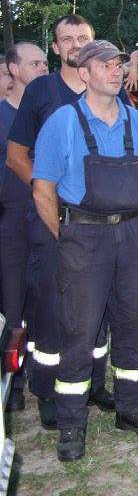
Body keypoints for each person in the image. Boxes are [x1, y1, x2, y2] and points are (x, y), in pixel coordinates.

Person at [32, 40, 138, 461]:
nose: (115, 70)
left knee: (133, 324)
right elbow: (42, 189)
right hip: (83, 238)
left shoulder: (136, 122)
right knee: (80, 331)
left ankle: (132, 409)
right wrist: (66, 235)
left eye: (119, 64)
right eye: (104, 65)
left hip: (131, 235)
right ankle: (72, 424)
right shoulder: (63, 121)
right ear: (84, 73)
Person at [6, 15, 118, 429]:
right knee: (53, 305)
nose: (75, 44)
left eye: (82, 37)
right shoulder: (41, 91)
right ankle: (48, 391)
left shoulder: (107, 89)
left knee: (99, 303)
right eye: (66, 39)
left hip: (101, 221)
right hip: (53, 219)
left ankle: (95, 383)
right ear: (55, 48)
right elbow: (16, 156)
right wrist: (52, 198)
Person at [1, 42, 49, 411]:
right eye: (35, 64)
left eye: (45, 63)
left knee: (45, 299)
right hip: (10, 219)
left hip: (46, 214)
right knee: (12, 302)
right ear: (14, 70)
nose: (43, 69)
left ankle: (44, 380)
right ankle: (11, 385)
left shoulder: (50, 115)